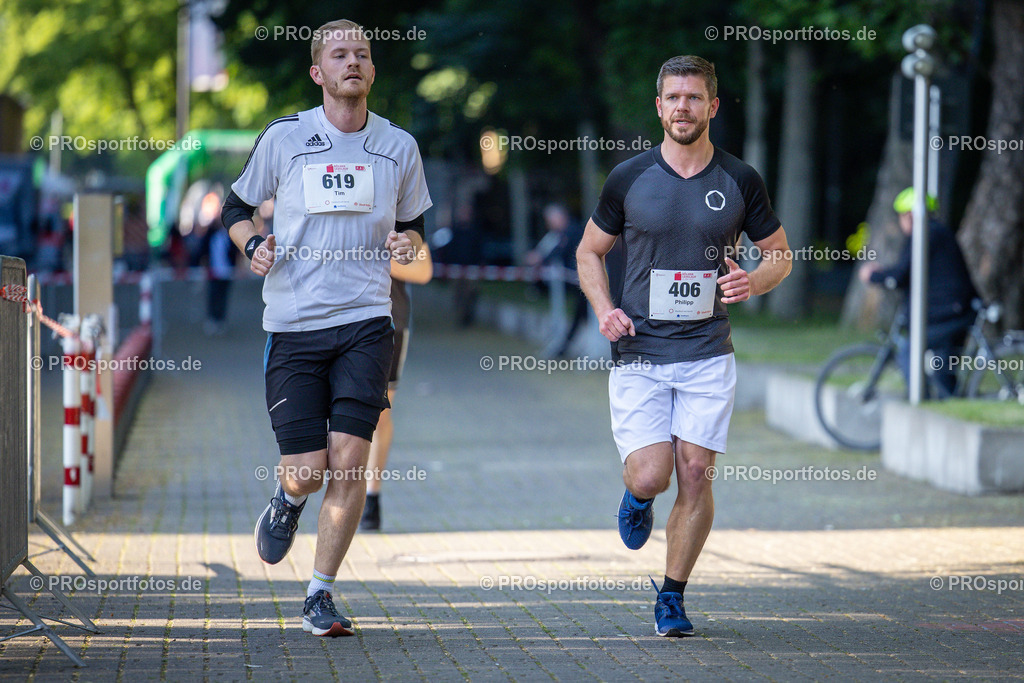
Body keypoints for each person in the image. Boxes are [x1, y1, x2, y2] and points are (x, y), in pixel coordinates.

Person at [220, 19, 431, 638]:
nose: (353, 62)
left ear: (373, 69)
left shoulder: (399, 147)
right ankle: (287, 500)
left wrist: (407, 240)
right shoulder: (285, 139)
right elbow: (235, 208)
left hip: (368, 322)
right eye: (339, 54)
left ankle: (320, 593)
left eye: (363, 54)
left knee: (350, 463)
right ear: (318, 73)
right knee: (308, 469)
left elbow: (417, 224)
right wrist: (253, 244)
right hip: (293, 324)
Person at [576, 55, 791, 638]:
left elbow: (780, 255)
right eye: (673, 97)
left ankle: (671, 595)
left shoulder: (740, 179)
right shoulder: (628, 178)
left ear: (712, 107)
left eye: (694, 98)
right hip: (641, 352)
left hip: (706, 351)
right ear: (659, 106)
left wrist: (754, 280)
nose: (682, 108)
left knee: (695, 472)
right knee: (652, 475)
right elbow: (588, 251)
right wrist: (604, 310)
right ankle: (637, 498)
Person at [858, 188, 977, 396]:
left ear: (910, 215)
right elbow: (910, 272)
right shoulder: (936, 232)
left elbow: (901, 276)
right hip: (953, 311)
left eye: (901, 216)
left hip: (948, 314)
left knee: (908, 353)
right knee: (942, 371)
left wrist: (874, 276)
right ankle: (949, 403)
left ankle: (919, 400)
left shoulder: (925, 235)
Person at [360, 242, 433, 531]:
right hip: (333, 320)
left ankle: (371, 496)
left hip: (390, 323)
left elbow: (424, 269)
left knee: (379, 415)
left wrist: (370, 260)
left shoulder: (403, 216)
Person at [525, 203, 588, 358]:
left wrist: (540, 259)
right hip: (576, 283)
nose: (549, 224)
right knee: (580, 315)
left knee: (584, 315)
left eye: (550, 220)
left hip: (581, 282)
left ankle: (566, 347)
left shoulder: (572, 231)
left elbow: (559, 252)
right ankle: (564, 346)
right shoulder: (561, 233)